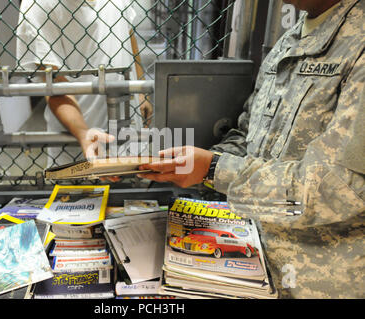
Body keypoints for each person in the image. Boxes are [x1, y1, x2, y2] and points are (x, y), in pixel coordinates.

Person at [138, 0, 364, 298]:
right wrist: (183, 164)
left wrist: (214, 168)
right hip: (249, 259)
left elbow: (340, 187)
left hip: (316, 282)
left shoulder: (357, 45)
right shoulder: (294, 38)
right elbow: (249, 135)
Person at [16, 0, 152, 165]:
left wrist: (141, 90)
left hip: (128, 124)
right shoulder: (38, 5)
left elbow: (128, 34)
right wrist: (83, 134)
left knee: (132, 184)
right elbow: (54, 85)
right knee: (79, 187)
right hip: (80, 137)